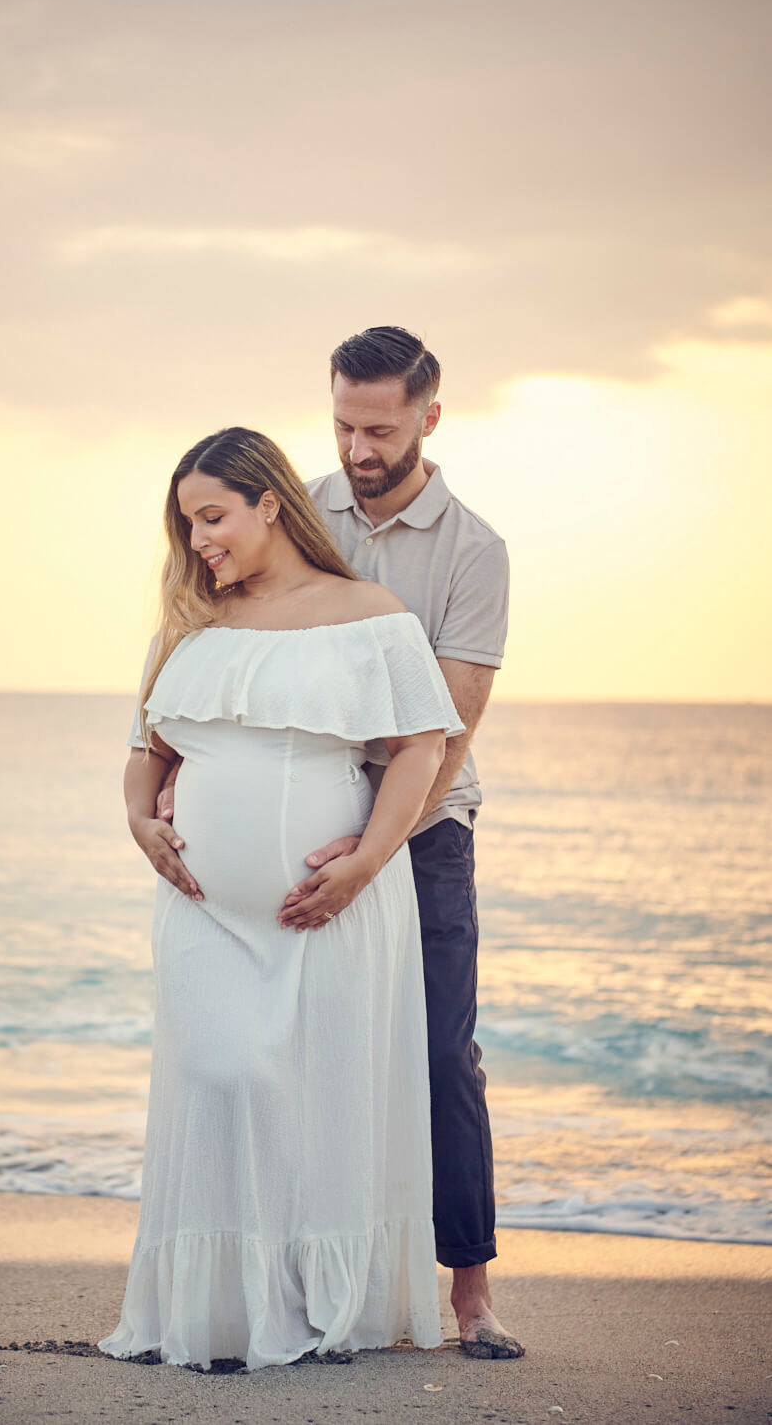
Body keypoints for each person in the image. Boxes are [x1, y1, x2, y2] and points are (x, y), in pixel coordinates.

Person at [99, 426, 465, 1371]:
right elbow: (149, 753)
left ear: (270, 503)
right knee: (221, 1076)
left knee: (310, 1096)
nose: (199, 540)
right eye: (186, 524)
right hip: (201, 908)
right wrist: (141, 825)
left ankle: (315, 1304)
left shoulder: (367, 613)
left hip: (330, 906)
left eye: (212, 516)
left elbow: (422, 747)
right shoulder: (191, 623)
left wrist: (368, 863)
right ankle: (226, 1308)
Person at [278, 326, 523, 1361]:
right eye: (341, 422)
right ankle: (307, 1279)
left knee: (436, 1055)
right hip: (302, 813)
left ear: (429, 415)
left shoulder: (474, 551)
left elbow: (451, 724)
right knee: (299, 1047)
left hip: (425, 831)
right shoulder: (295, 515)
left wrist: (370, 848)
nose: (355, 445)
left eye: (376, 426)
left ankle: (468, 1296)